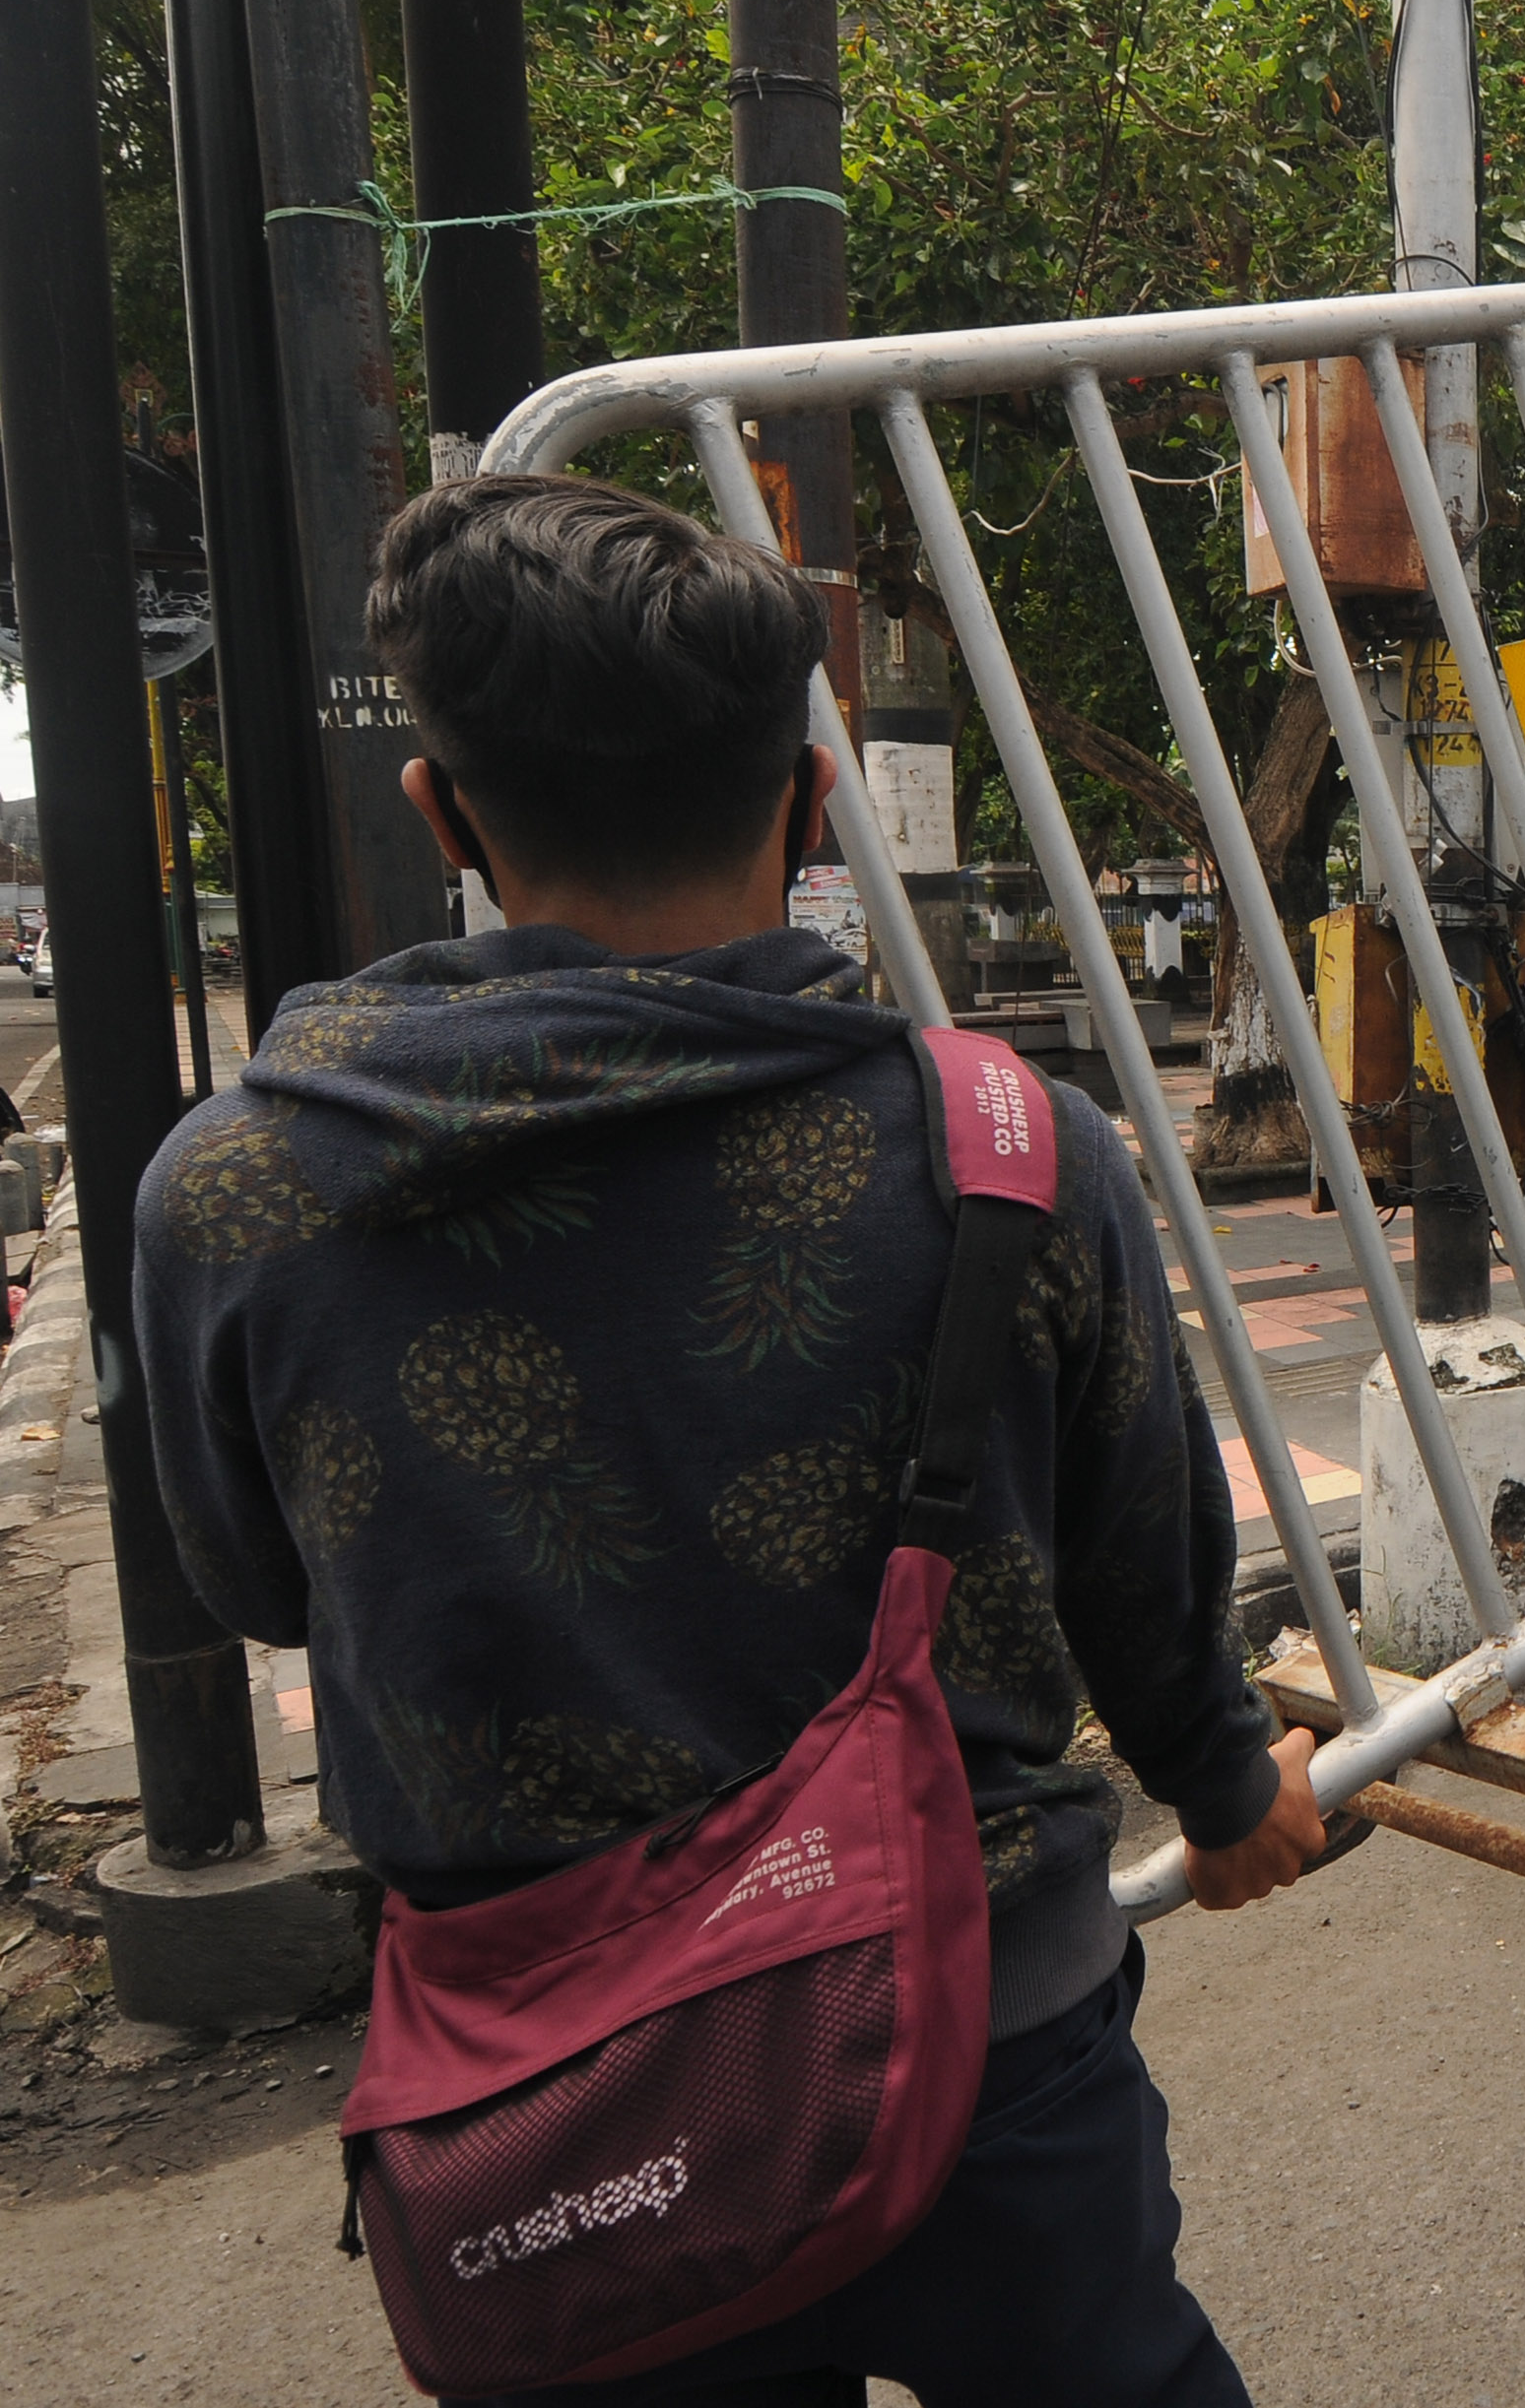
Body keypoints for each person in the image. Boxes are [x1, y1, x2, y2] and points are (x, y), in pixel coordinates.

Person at [136, 475, 1344, 2408]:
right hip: (987, 2044)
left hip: (547, 2099)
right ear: (810, 790)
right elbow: (1146, 1564)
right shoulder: (1009, 1149)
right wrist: (1222, 1790)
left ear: (444, 812)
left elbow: (256, 1577)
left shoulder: (237, 1189)